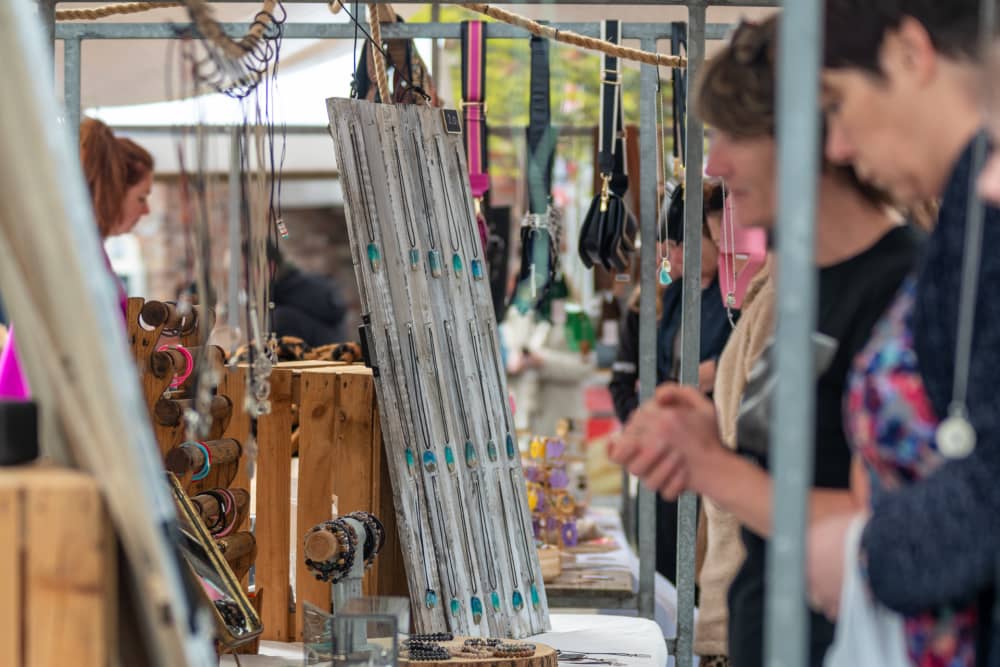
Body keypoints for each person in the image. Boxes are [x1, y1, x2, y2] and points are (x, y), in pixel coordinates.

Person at [607, 16, 924, 667]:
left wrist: (714, 466)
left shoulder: (900, 293)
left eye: (733, 134)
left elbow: (892, 523)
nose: (715, 164)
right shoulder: (800, 286)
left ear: (808, 139)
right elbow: (797, 474)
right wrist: (710, 436)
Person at [803, 2, 1000, 664]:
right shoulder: (970, 214)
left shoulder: (987, 218)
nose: (838, 146)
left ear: (911, 54)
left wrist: (864, 549)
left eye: (838, 101)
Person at [609, 180, 734, 586]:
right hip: (669, 453)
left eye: (685, 242)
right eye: (672, 243)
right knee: (662, 564)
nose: (674, 253)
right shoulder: (672, 297)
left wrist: (721, 371)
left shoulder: (734, 303)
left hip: (710, 454)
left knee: (699, 571)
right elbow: (649, 376)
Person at [79, 117, 154, 316]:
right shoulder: (80, 254)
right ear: (116, 191)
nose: (146, 210)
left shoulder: (91, 251)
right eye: (141, 198)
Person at [267, 241, 348, 347]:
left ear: (270, 268)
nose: (243, 283)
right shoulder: (291, 291)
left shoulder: (284, 312)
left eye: (245, 276)